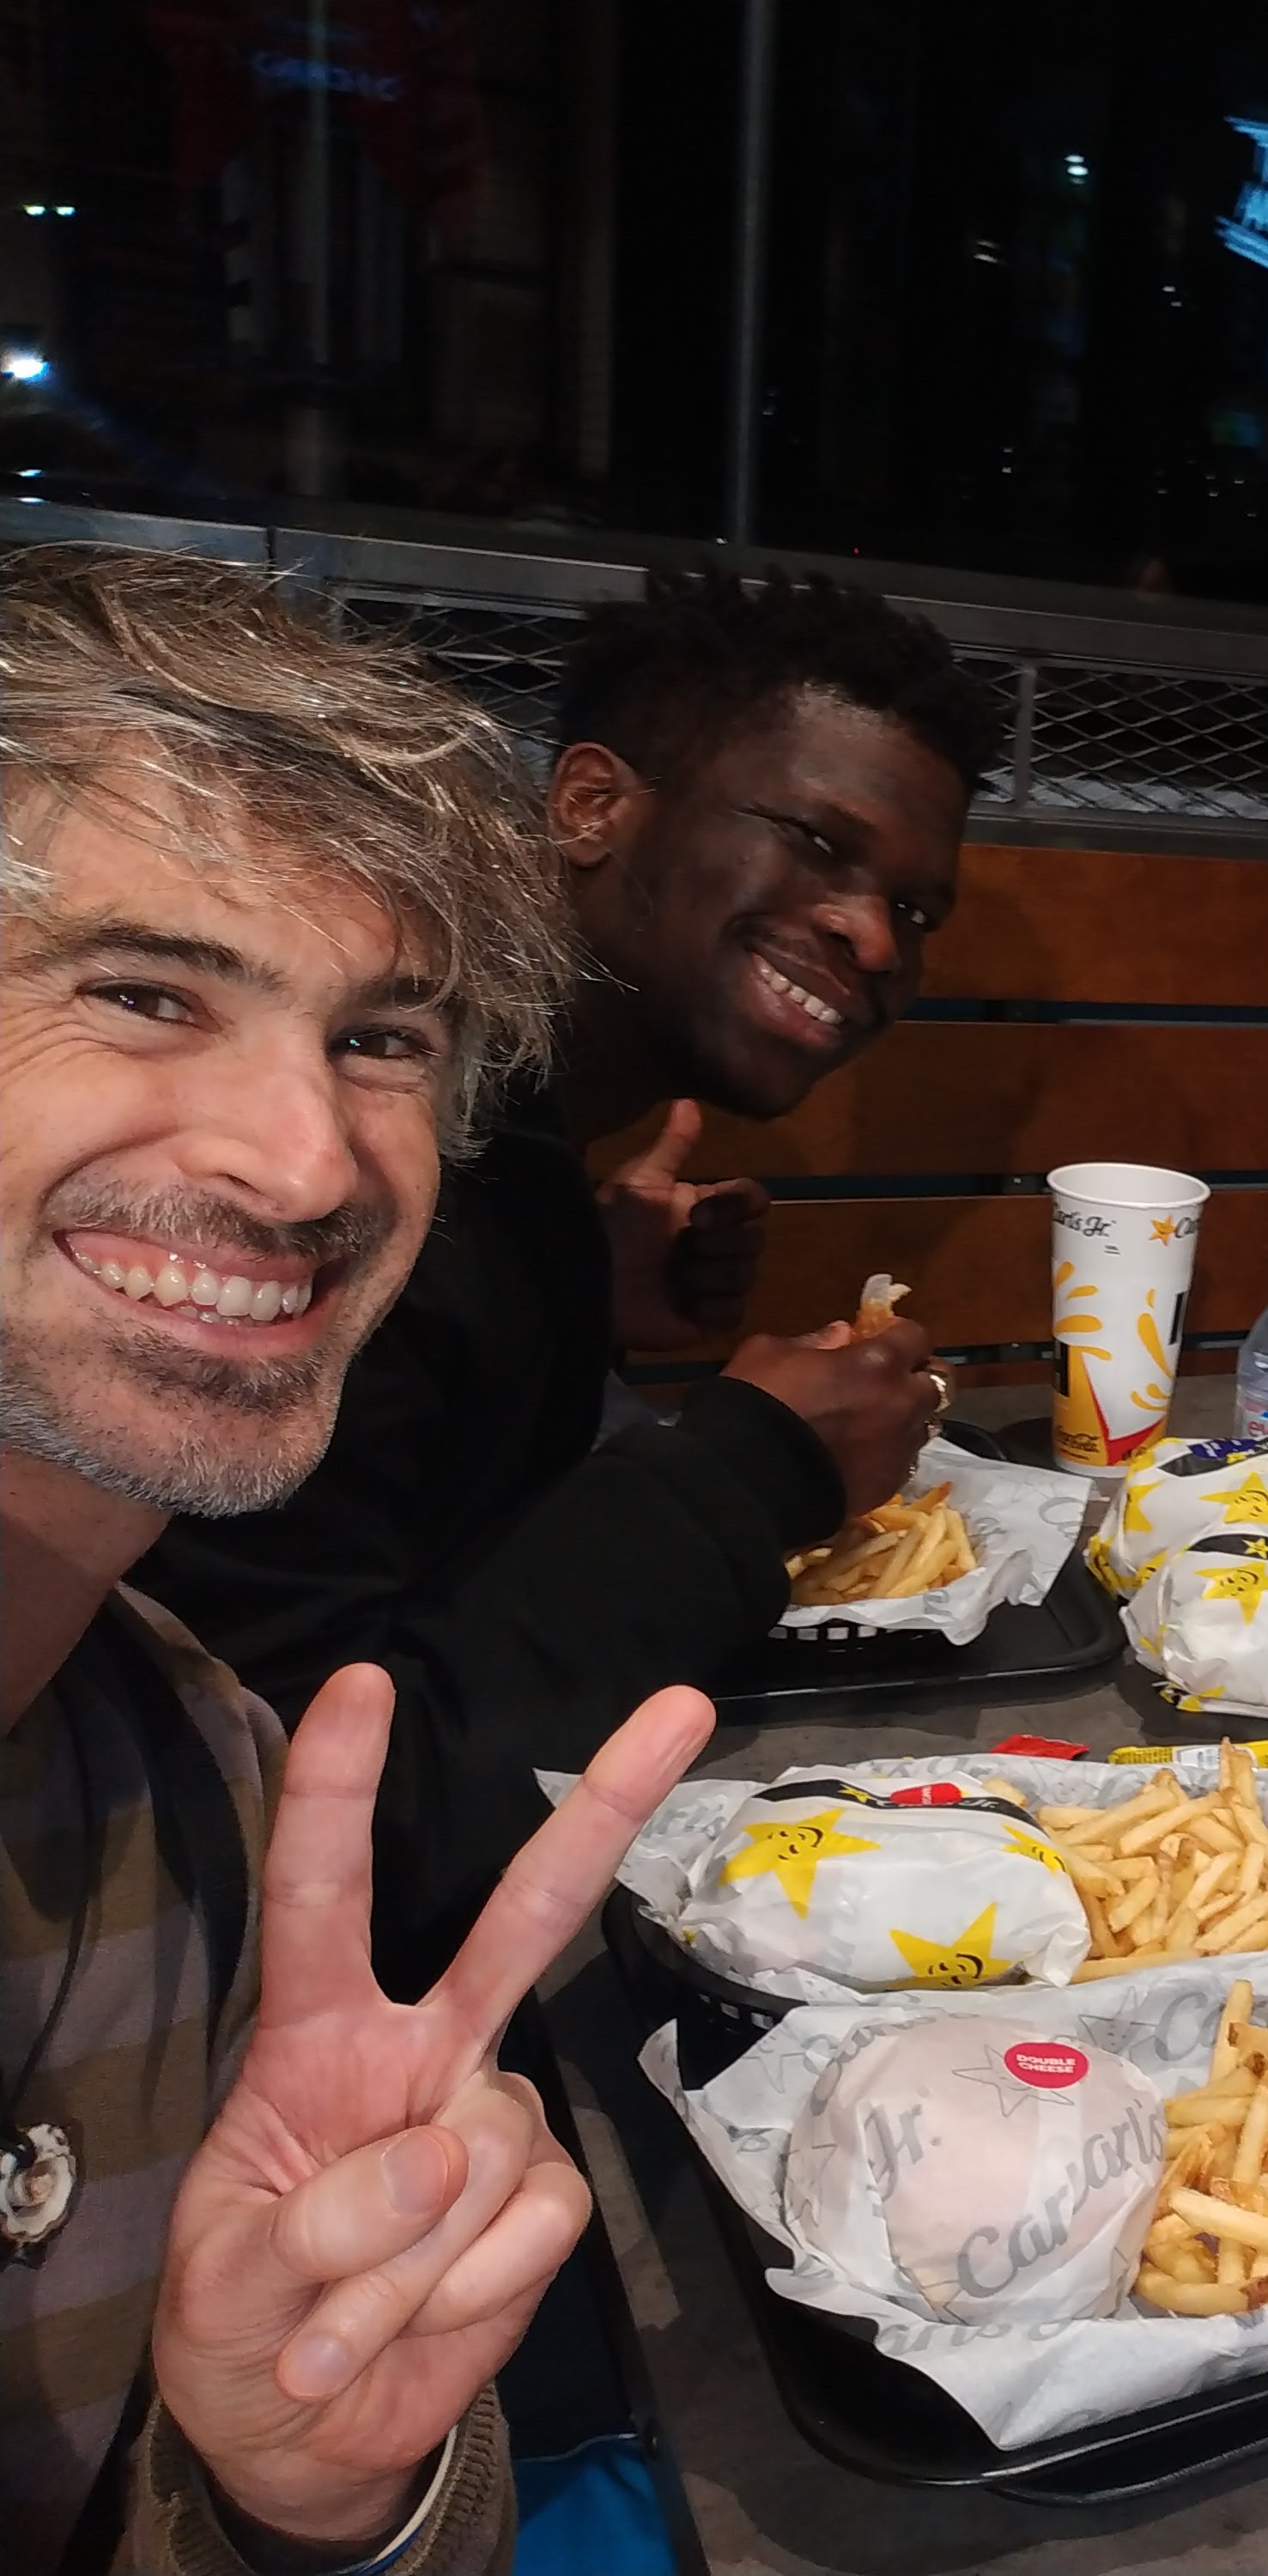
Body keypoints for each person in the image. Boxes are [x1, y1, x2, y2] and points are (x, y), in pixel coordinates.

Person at [0, 544, 711, 2573]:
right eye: (145, 993)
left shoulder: (210, 1773)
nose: (308, 1161)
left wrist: (314, 2497)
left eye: (382, 1038)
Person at [142, 568, 1002, 1996]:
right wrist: (747, 1471)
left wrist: (568, 1317)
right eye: (818, 844)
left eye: (916, 909)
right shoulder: (346, 1175)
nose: (873, 937)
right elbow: (307, 1838)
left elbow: (417, 1501)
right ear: (593, 806)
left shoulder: (510, 1169)